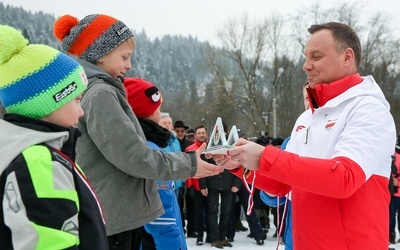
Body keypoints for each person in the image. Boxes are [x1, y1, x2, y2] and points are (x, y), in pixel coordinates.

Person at [212, 22, 396, 249]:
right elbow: (283, 185)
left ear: (347, 57)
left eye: (316, 57)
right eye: (306, 57)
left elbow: (344, 178)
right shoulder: (307, 118)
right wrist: (242, 164)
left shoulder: (369, 108)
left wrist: (265, 157)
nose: (306, 66)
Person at [53, 14, 223, 249]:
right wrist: (190, 164)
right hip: (114, 220)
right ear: (100, 53)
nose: (129, 65)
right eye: (124, 57)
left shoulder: (98, 90)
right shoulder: (101, 93)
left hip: (114, 216)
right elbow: (133, 156)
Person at [0, 25, 108, 249]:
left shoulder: (36, 153)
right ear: (50, 101)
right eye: (77, 100)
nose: (82, 111)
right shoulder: (38, 161)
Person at [124, 77, 187, 250]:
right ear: (147, 113)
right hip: (154, 241)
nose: (160, 114)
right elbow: (163, 215)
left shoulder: (128, 144)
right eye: (157, 108)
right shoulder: (149, 150)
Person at [158, 114, 187, 237]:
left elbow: (177, 160)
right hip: (162, 182)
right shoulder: (156, 139)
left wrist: (180, 178)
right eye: (164, 123)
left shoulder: (175, 141)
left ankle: (177, 231)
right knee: (164, 211)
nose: (167, 125)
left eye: (169, 123)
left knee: (176, 210)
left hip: (176, 183)